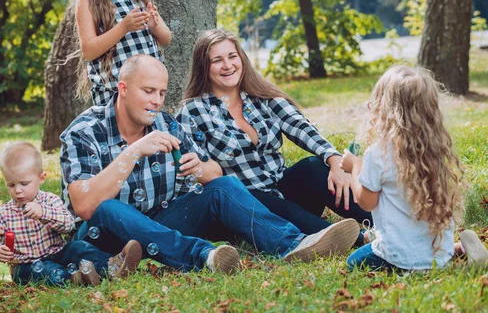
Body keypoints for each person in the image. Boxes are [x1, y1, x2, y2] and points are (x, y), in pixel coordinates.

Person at [59, 54, 361, 275]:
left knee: (224, 185)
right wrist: (133, 152)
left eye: (162, 93)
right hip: (104, 236)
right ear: (123, 89)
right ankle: (202, 255)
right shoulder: (85, 131)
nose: (156, 101)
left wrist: (199, 168)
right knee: (111, 208)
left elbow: (215, 174)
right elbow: (85, 206)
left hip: (157, 222)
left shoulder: (165, 123)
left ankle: (292, 244)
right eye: (148, 91)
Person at [177, 29, 371, 242]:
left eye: (232, 56)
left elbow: (300, 127)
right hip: (244, 209)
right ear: (204, 67)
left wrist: (334, 160)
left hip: (283, 190)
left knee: (313, 167)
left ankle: (383, 219)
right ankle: (356, 239)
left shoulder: (261, 97)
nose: (228, 65)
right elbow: (199, 173)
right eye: (217, 60)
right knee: (258, 198)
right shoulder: (193, 111)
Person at [340, 65, 467, 271]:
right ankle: (453, 250)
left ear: (384, 109)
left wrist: (354, 166)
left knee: (353, 263)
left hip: (400, 258)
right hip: (438, 255)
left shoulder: (378, 153)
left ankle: (418, 255)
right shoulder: (434, 149)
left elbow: (366, 202)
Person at [0, 142, 142, 285]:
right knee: (48, 272)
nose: (18, 190)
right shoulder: (4, 213)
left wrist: (44, 213)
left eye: (24, 183)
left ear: (41, 178)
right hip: (25, 265)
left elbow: (67, 225)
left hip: (58, 253)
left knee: (78, 247)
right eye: (11, 185)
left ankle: (111, 266)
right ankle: (76, 278)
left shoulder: (50, 201)